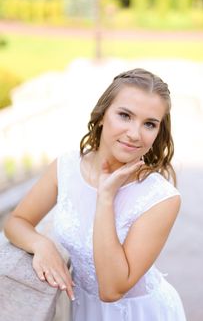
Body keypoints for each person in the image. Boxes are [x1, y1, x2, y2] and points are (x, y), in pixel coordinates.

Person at [4, 68, 186, 321]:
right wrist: (41, 244)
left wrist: (106, 198)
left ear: (158, 132)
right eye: (124, 115)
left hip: (141, 313)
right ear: (102, 116)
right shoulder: (65, 167)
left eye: (149, 124)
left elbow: (112, 289)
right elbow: (16, 221)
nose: (135, 134)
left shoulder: (162, 198)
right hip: (84, 310)